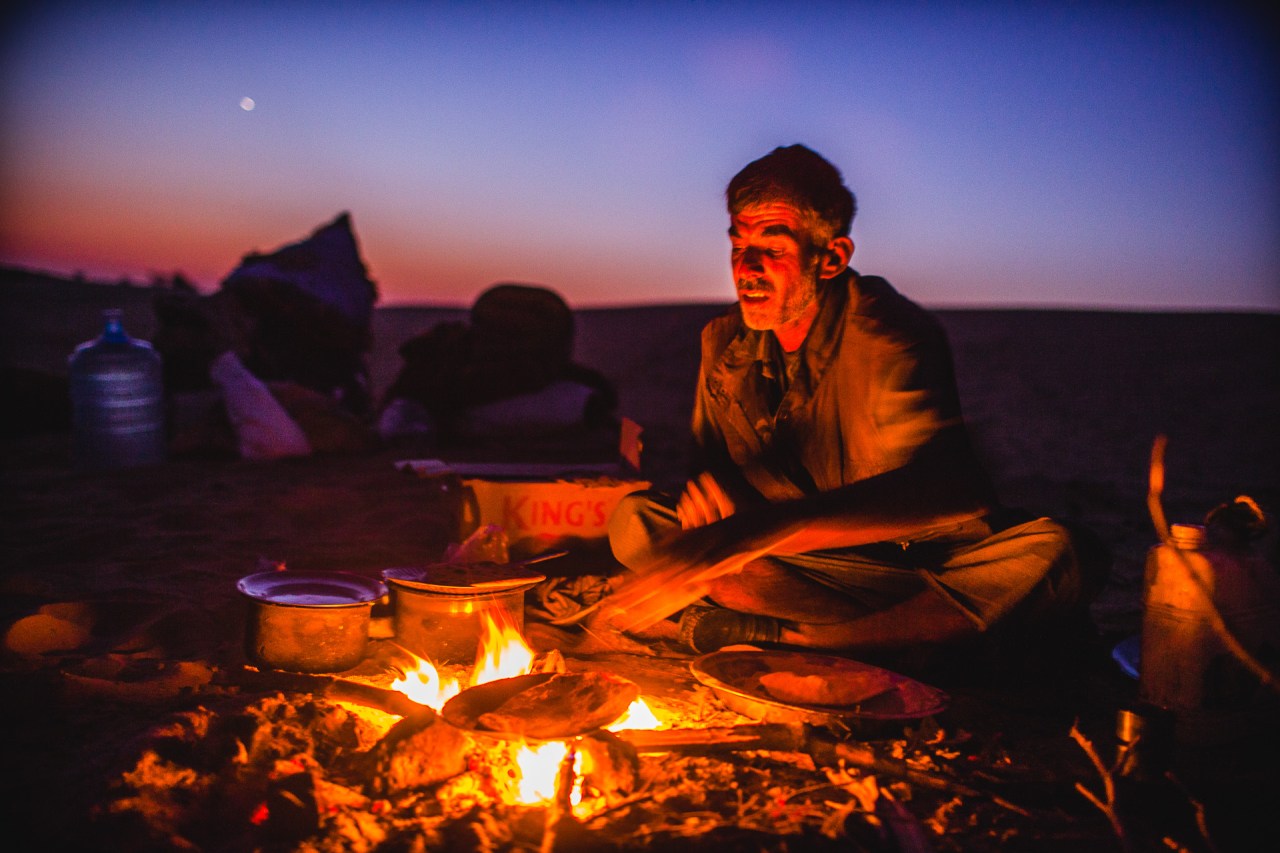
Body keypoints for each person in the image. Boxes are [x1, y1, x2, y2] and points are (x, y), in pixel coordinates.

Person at [597, 144, 1105, 666]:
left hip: (905, 569)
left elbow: (955, 491)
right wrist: (710, 512)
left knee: (1060, 555)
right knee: (636, 519)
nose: (746, 267)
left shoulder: (884, 336)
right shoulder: (722, 343)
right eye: (737, 245)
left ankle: (805, 642)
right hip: (795, 562)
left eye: (772, 247)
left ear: (832, 257)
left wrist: (754, 535)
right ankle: (890, 636)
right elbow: (710, 480)